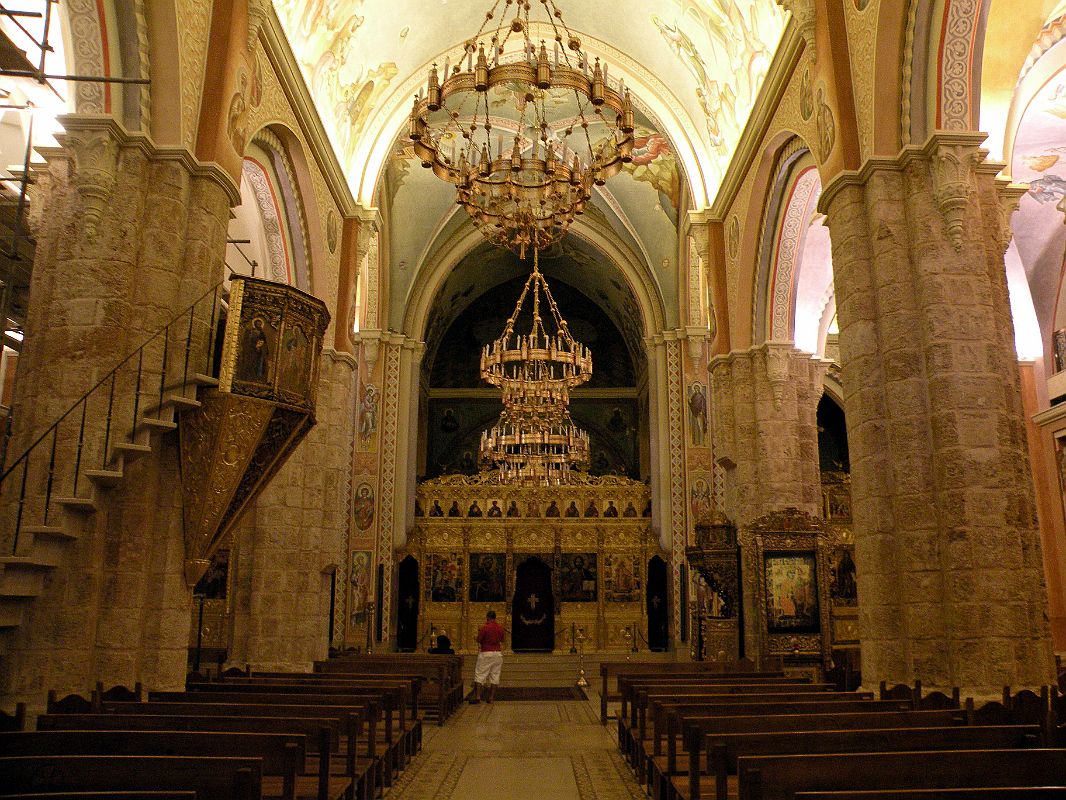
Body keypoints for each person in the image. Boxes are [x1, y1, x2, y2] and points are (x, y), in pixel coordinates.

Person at [471, 609, 505, 704]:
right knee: (495, 675)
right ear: (495, 618)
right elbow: (502, 639)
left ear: (487, 617)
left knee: (480, 674)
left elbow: (479, 639)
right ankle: (491, 698)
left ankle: (478, 696)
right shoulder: (500, 627)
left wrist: (476, 638)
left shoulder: (485, 627)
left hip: (486, 653)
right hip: (497, 654)